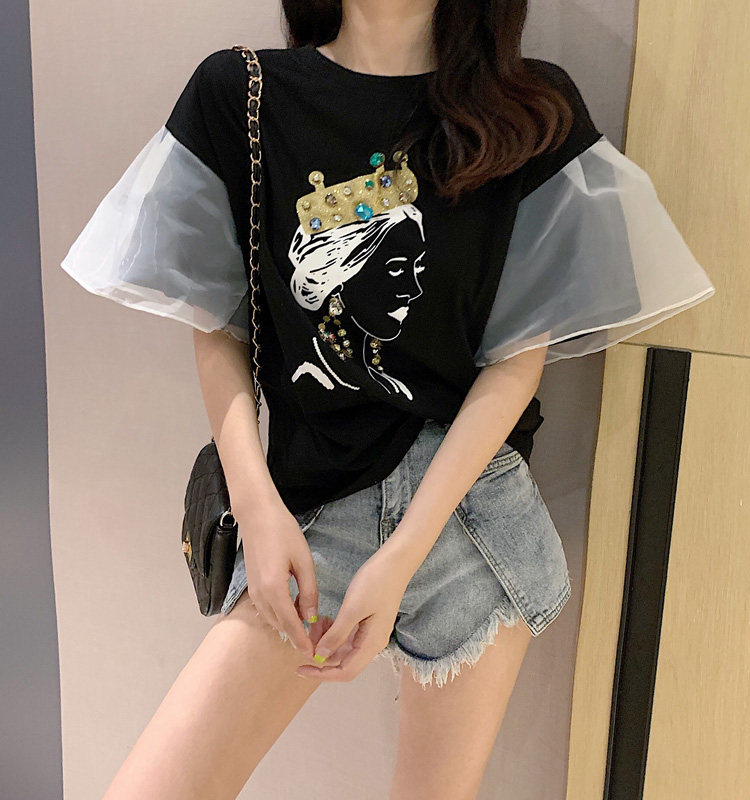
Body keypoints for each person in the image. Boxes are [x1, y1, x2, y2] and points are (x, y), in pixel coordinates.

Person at [60, 1, 716, 797]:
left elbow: (515, 363)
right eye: (390, 266)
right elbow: (218, 325)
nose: (405, 282)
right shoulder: (243, 94)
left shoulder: (523, 110)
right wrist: (256, 508)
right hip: (309, 517)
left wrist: (403, 554)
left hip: (468, 519)